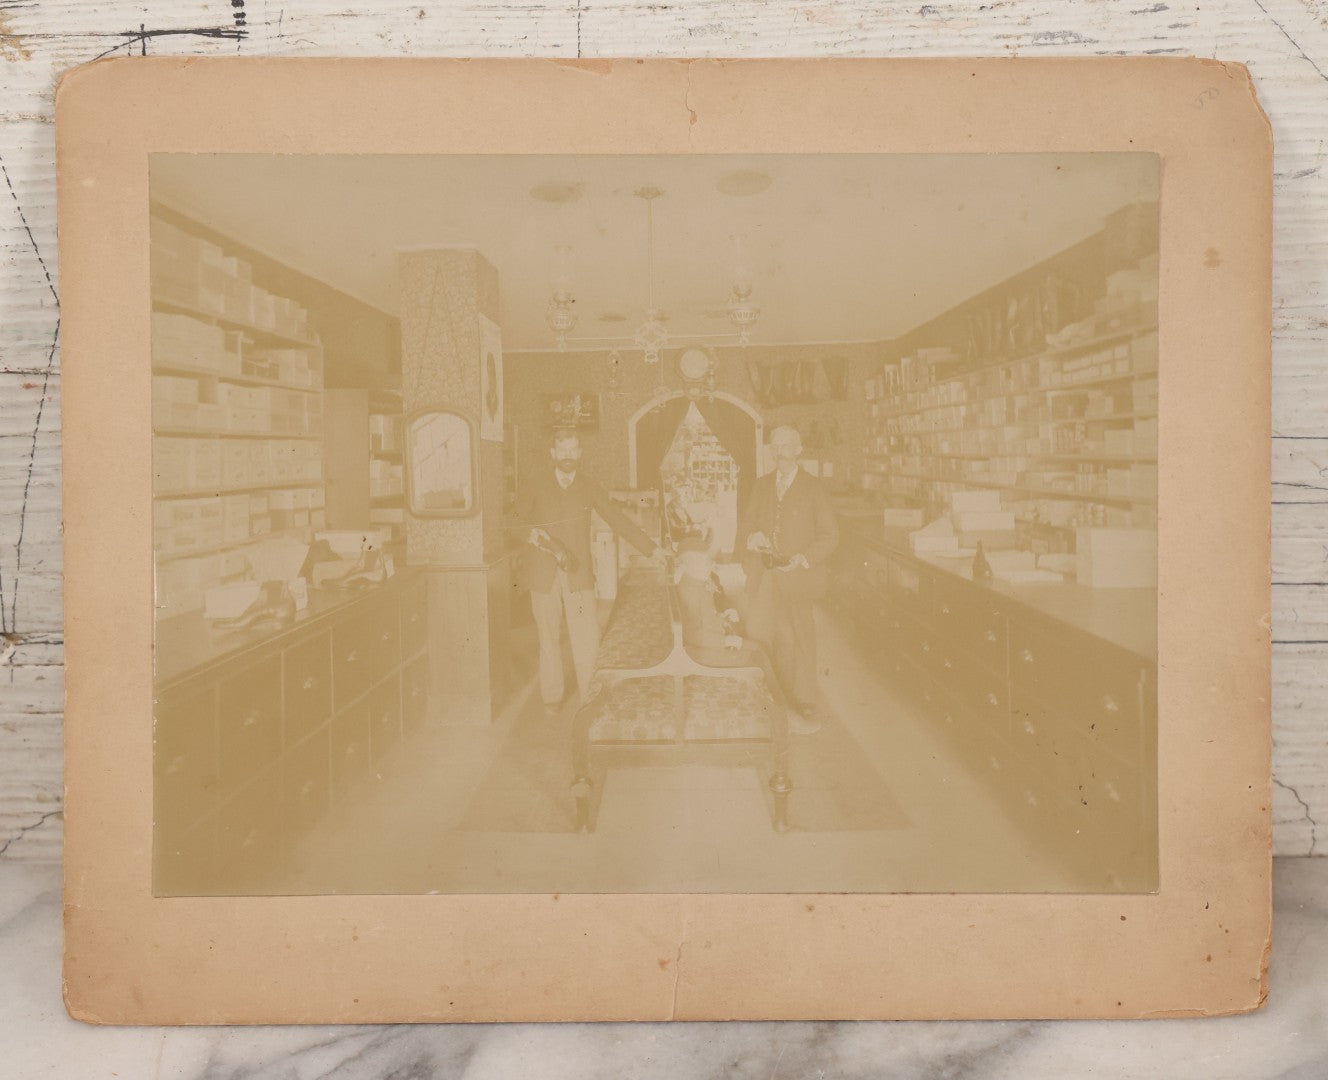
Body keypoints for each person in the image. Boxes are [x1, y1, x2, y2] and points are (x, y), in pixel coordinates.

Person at [514, 428, 665, 715]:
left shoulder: (589, 486)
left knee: (586, 637)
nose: (568, 455)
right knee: (548, 638)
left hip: (578, 573)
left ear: (579, 453)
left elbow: (618, 520)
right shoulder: (535, 484)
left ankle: (589, 696)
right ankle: (552, 698)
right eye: (563, 450)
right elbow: (513, 519)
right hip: (542, 574)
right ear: (553, 454)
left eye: (573, 450)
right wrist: (531, 535)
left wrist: (652, 549)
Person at [737, 425, 839, 732]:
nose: (779, 452)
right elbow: (748, 524)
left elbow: (830, 535)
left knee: (799, 638)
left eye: (786, 446)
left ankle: (804, 699)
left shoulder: (814, 488)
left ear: (798, 450)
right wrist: (752, 536)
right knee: (766, 635)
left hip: (798, 578)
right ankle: (772, 696)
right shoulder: (762, 485)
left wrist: (804, 558)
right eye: (774, 446)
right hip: (766, 577)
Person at [673, 537, 809, 735]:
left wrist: (722, 616)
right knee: (757, 655)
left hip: (706, 645)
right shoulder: (690, 590)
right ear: (685, 566)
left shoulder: (695, 583)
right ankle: (784, 715)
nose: (709, 565)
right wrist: (727, 640)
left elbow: (704, 619)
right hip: (699, 652)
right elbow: (692, 634)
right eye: (703, 562)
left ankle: (780, 706)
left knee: (759, 649)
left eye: (708, 561)